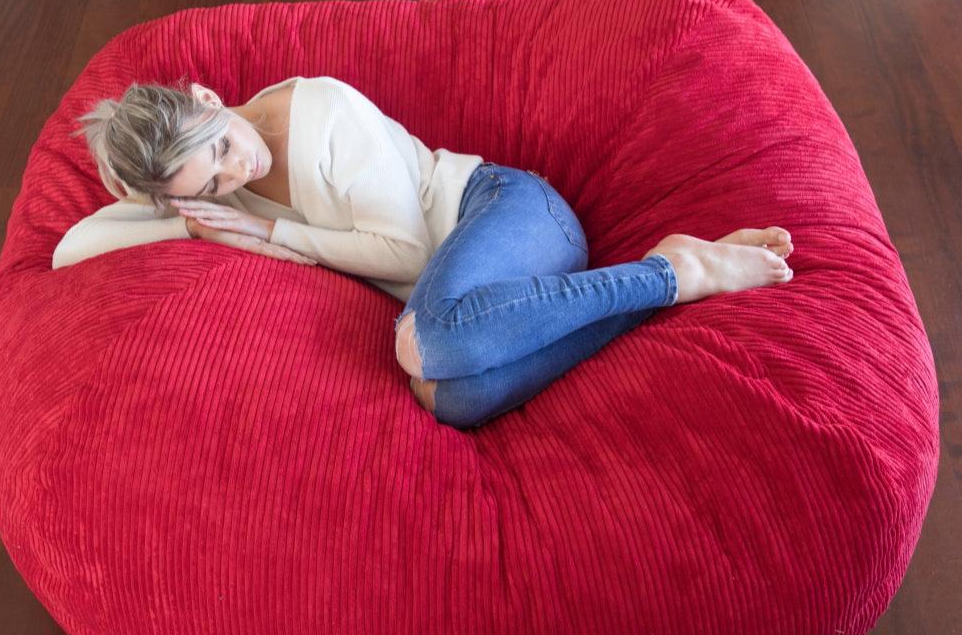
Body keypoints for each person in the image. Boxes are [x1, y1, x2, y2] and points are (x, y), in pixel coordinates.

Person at [60, 75, 794, 429]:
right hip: (487, 313)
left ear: (207, 98)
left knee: (424, 343)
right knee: (449, 399)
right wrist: (180, 215)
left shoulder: (320, 116)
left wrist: (271, 236)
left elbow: (410, 256)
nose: (238, 172)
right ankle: (651, 283)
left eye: (222, 147)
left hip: (516, 213)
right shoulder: (214, 197)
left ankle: (670, 276)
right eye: (212, 183)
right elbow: (72, 248)